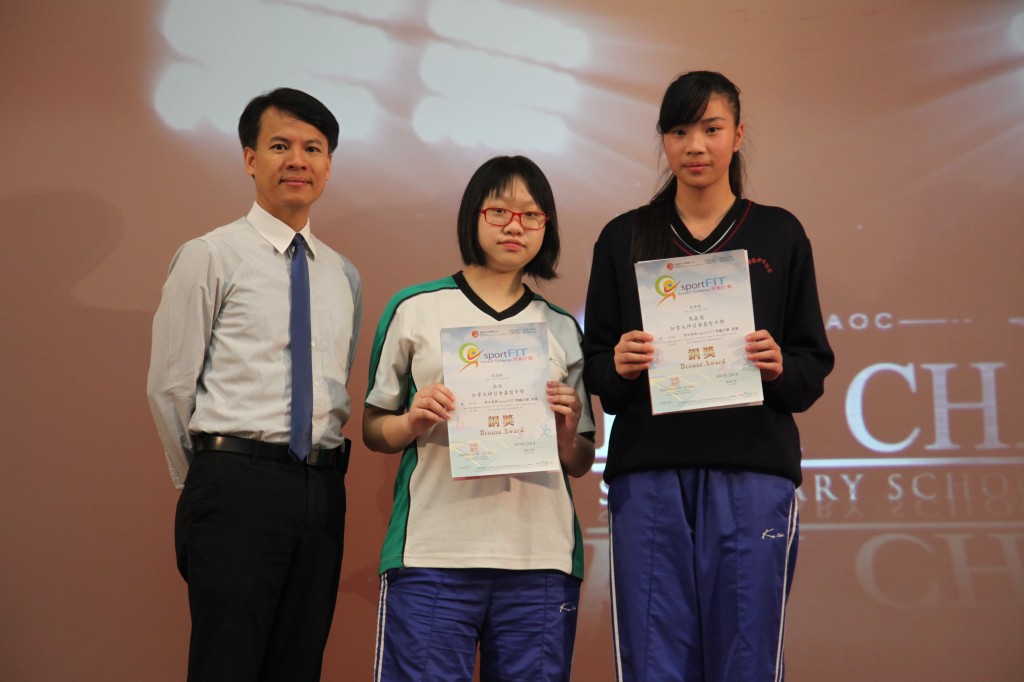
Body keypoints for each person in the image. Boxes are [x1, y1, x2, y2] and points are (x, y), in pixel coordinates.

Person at [583, 71, 834, 681]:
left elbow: (811, 364)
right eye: (679, 131)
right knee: (653, 658)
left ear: (738, 135)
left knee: (746, 656)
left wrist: (779, 366)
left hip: (753, 470)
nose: (695, 146)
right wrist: (618, 364)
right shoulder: (623, 236)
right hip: (648, 473)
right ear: (663, 140)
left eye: (711, 129)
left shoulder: (778, 232)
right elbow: (597, 367)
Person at [147, 87, 361, 682]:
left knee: (299, 663)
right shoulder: (210, 256)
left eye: (313, 148)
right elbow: (169, 387)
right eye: (279, 145)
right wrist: (207, 482)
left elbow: (333, 384)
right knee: (228, 663)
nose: (298, 160)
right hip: (234, 484)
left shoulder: (343, 275)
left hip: (322, 488)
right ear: (250, 158)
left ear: (328, 164)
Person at [363, 155, 596, 681]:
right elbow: (374, 427)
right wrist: (412, 421)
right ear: (473, 216)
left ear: (546, 227)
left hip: (540, 556)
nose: (515, 226)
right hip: (433, 551)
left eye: (531, 215)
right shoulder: (415, 308)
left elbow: (581, 458)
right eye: (499, 211)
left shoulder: (561, 327)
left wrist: (565, 431)